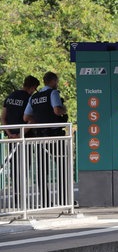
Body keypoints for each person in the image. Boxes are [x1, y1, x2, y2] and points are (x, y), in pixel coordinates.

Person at [23, 72, 68, 207]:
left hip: (39, 137)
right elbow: (56, 111)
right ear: (53, 81)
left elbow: (26, 118)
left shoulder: (34, 97)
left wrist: (38, 121)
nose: (57, 83)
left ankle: (46, 201)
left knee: (42, 170)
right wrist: (63, 110)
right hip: (55, 136)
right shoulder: (53, 93)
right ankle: (64, 199)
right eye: (57, 81)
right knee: (62, 167)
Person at [1, 75, 40, 207]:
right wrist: (20, 134)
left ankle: (17, 198)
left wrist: (10, 134)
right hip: (25, 139)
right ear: (33, 87)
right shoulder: (29, 98)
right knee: (24, 167)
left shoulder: (10, 97)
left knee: (15, 168)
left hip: (11, 138)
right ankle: (22, 200)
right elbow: (31, 120)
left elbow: (3, 118)